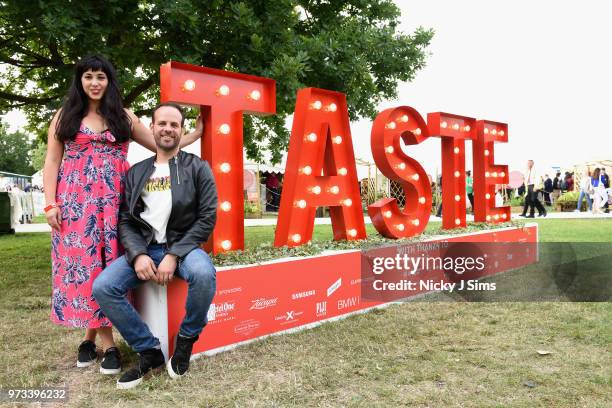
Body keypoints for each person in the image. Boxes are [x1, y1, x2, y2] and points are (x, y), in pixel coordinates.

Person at [43, 55, 202, 374]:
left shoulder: (123, 116)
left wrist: (196, 133)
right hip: (76, 205)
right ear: (80, 81)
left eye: (100, 76)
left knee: (110, 266)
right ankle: (109, 344)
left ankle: (91, 339)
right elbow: (51, 162)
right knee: (86, 268)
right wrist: (50, 204)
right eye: (88, 76)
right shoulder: (64, 116)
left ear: (109, 81)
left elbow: (162, 142)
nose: (94, 82)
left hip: (118, 203)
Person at [93, 103, 217, 389]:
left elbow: (207, 217)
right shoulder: (136, 172)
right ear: (152, 127)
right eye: (162, 123)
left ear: (182, 130)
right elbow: (125, 219)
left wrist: (174, 254)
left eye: (174, 125)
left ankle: (185, 340)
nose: (168, 129)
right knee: (103, 287)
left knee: (203, 274)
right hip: (146, 248)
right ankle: (149, 351)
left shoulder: (197, 168)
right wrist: (137, 255)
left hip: (183, 248)